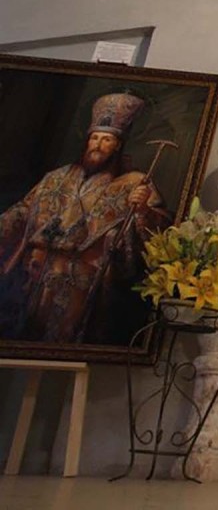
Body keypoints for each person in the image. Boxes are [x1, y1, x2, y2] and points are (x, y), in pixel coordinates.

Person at [0, 93, 167, 344]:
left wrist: (143, 210)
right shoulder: (56, 177)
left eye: (106, 139)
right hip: (32, 276)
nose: (98, 144)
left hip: (80, 285)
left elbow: (160, 233)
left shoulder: (135, 183)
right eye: (95, 138)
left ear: (118, 145)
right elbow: (23, 211)